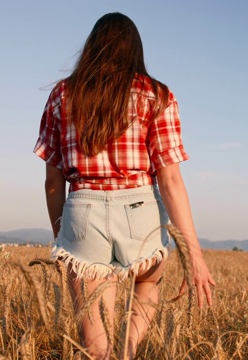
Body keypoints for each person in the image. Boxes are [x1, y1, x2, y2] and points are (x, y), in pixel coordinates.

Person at [33, 12, 215, 359]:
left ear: (91, 47)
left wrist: (63, 238)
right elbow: (171, 179)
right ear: (135, 50)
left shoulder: (63, 95)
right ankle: (128, 350)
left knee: (95, 342)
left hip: (82, 210)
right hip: (141, 213)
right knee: (147, 284)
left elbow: (53, 181)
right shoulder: (156, 95)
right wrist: (195, 256)